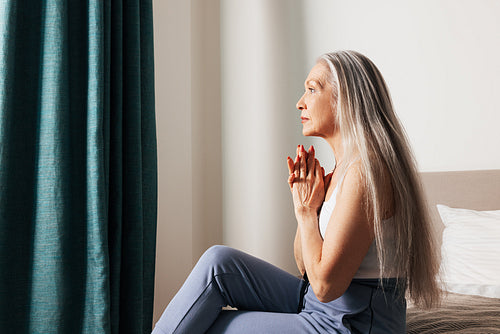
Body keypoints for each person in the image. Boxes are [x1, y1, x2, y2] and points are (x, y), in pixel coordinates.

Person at [152, 50, 441, 334]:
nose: (300, 103)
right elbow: (305, 267)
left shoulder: (367, 173)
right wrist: (308, 206)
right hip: (319, 305)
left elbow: (326, 286)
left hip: (351, 323)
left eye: (312, 90)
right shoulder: (343, 169)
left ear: (345, 101)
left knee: (209, 326)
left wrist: (305, 214)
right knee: (218, 263)